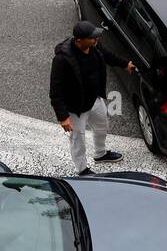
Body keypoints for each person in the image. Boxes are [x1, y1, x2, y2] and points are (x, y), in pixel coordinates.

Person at [50, 20, 137, 175]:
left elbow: (108, 56)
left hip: (94, 99)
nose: (96, 39)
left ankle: (100, 154)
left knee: (102, 126)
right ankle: (82, 169)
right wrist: (63, 117)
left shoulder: (94, 47)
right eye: (92, 37)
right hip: (76, 107)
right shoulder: (62, 59)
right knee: (78, 139)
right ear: (79, 40)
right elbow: (56, 90)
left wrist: (125, 64)